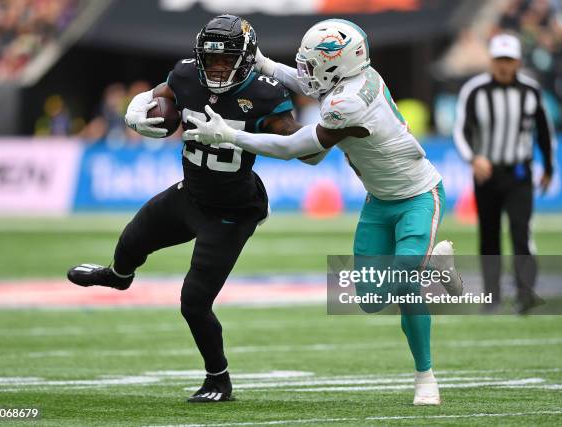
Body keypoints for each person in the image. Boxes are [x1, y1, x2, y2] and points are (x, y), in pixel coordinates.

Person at [186, 19, 463, 406]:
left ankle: (425, 376)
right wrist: (264, 63)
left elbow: (297, 149)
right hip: (378, 201)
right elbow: (309, 83)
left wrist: (231, 136)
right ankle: (432, 264)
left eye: (314, 62)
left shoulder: (348, 103)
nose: (306, 70)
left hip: (418, 196)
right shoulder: (352, 79)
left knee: (404, 281)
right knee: (369, 298)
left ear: (339, 65)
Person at [66, 14, 301, 403]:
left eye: (226, 59)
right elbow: (165, 93)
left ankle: (218, 380)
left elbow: (300, 147)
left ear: (245, 59)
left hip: (233, 209)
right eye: (211, 60)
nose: (217, 67)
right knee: (131, 239)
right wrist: (142, 108)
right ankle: (119, 276)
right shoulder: (187, 73)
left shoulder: (265, 92)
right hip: (191, 193)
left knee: (193, 301)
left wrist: (238, 137)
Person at [453, 33, 556, 314]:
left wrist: (548, 167)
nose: (503, 65)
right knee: (489, 236)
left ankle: (524, 294)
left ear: (518, 62)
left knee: (521, 232)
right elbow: (461, 130)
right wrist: (473, 158)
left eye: (508, 60)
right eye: (499, 59)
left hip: (519, 173)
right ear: (491, 61)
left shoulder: (531, 92)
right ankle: (492, 296)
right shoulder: (475, 90)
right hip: (486, 174)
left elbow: (544, 131)